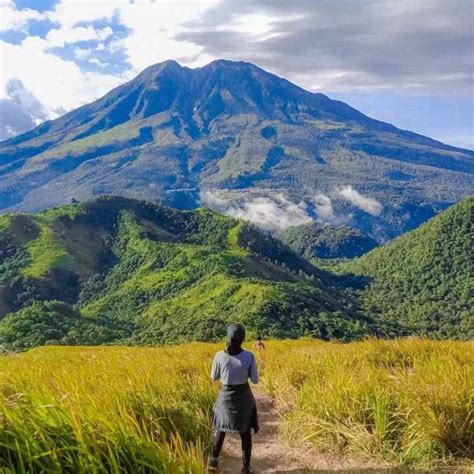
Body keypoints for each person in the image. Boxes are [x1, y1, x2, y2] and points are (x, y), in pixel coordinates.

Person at [209, 323, 259, 473]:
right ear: (243, 338)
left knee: (220, 430)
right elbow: (255, 380)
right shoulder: (249, 356)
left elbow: (214, 377)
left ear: (227, 337)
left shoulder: (219, 355)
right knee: (245, 433)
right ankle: (246, 467)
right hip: (244, 398)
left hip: (225, 398)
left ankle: (213, 464)